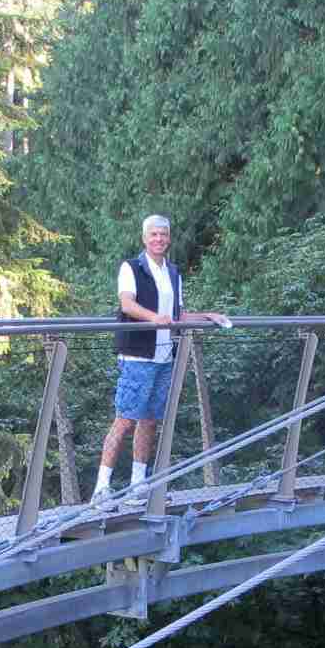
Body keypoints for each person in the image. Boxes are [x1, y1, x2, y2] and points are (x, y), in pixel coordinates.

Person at [95, 214, 227, 501]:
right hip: (137, 355)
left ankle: (137, 485)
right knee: (125, 419)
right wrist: (155, 318)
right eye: (153, 235)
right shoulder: (131, 267)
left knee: (150, 420)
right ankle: (101, 489)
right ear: (144, 238)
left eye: (163, 235)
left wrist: (207, 316)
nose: (158, 239)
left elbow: (176, 315)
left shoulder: (173, 272)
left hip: (165, 356)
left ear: (168, 239)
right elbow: (127, 304)